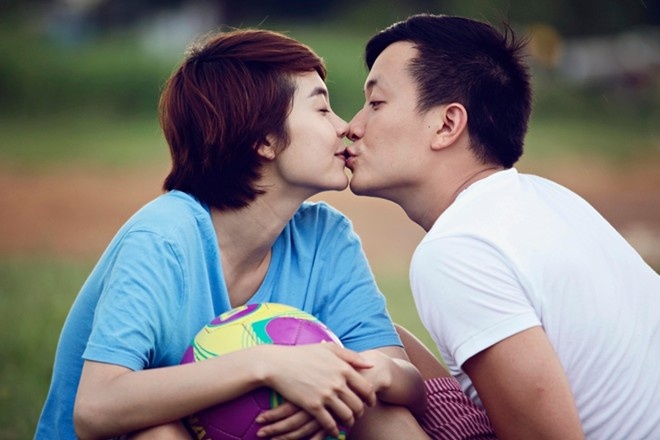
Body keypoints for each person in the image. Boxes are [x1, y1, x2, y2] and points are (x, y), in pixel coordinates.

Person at [35, 29, 432, 440]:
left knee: (376, 409)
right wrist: (266, 364)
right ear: (263, 140)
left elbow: (411, 387)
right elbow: (95, 409)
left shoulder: (325, 238)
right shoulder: (163, 239)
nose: (343, 126)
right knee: (155, 432)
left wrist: (369, 373)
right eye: (321, 109)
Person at [345, 13, 660, 439]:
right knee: (379, 340)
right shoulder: (549, 199)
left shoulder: (457, 250)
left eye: (376, 103)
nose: (353, 126)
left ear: (447, 125)